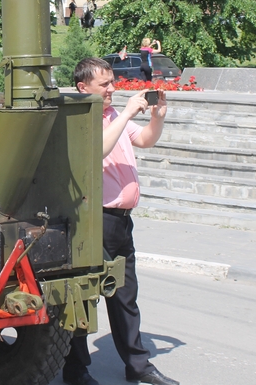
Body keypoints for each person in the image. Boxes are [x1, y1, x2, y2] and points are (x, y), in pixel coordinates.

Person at [65, 57, 178, 385]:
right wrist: (128, 112)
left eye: (113, 82)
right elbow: (96, 150)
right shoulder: (79, 117)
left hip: (120, 222)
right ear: (83, 87)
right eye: (105, 84)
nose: (112, 89)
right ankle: (76, 370)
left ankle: (138, 366)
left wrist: (157, 117)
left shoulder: (112, 115)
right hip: (94, 220)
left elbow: (144, 140)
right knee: (84, 296)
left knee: (126, 295)